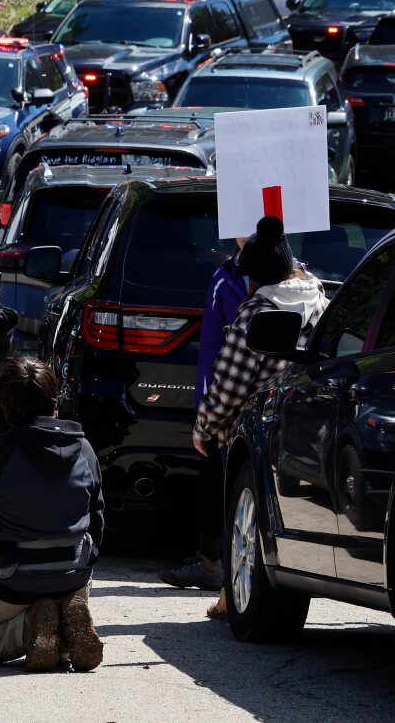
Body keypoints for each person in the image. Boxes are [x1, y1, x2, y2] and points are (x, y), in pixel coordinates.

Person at [191, 216, 328, 619]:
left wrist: (203, 427)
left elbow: (229, 386)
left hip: (259, 431)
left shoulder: (257, 311)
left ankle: (234, 596)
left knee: (245, 521)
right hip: (310, 428)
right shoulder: (319, 299)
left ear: (256, 276)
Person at [0, 356, 105, 672]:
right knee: (57, 611)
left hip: (15, 580)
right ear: (54, 398)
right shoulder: (85, 450)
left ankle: (31, 628)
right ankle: (61, 630)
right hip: (74, 576)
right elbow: (97, 519)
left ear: (5, 405)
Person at [160, 237, 247, 592]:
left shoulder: (230, 280)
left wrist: (207, 412)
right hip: (275, 403)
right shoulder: (308, 286)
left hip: (236, 401)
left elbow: (220, 353)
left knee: (226, 481)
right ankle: (218, 562)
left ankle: (219, 563)